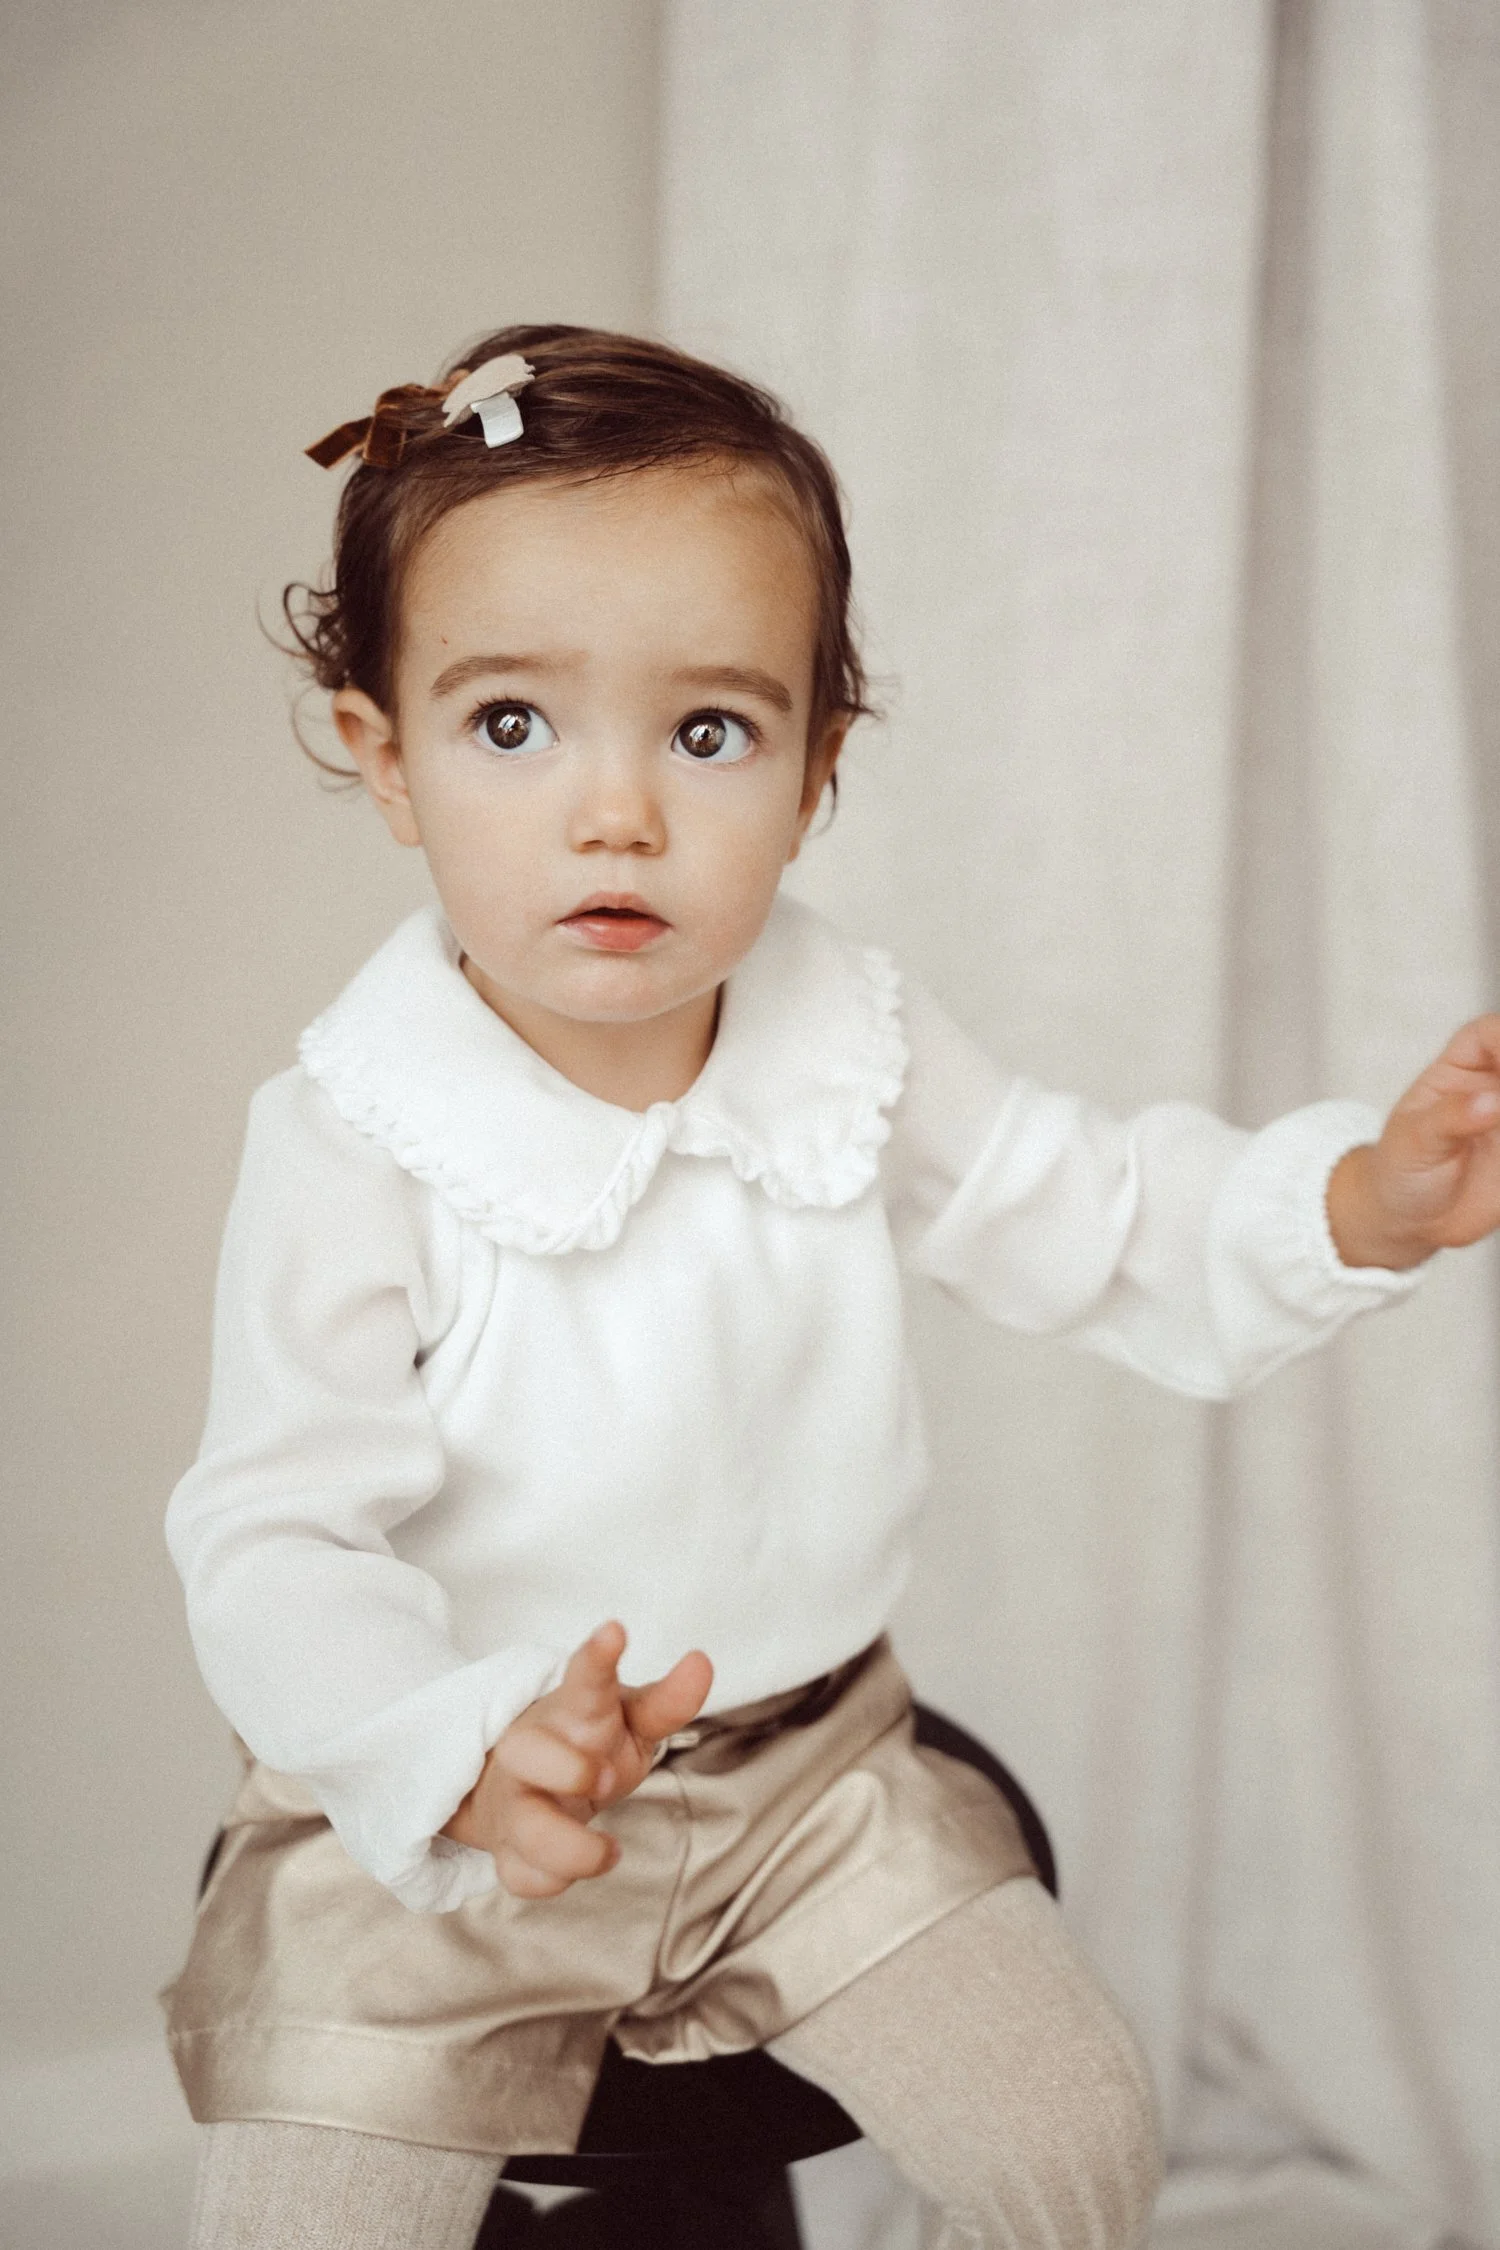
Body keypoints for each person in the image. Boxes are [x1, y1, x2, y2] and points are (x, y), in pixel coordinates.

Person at [163, 325, 1500, 2250]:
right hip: (441, 1824)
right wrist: (449, 1748)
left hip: (811, 1787)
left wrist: (1358, 1200)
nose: (615, 811)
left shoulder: (848, 1033)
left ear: (814, 774)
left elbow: (1093, 1211)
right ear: (385, 757)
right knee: (297, 2223)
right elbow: (273, 1534)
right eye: (514, 725)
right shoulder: (353, 1134)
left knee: (1077, 2141)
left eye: (707, 731)